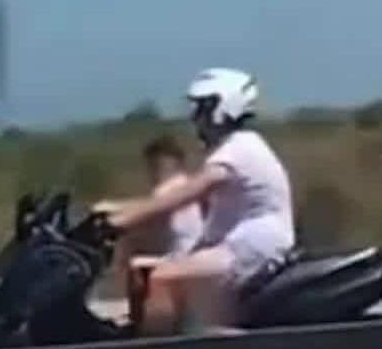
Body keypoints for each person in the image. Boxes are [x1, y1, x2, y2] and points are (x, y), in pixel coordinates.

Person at [94, 68, 296, 336]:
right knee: (140, 269)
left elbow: (184, 195)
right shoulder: (234, 147)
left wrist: (118, 222)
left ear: (223, 108)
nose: (195, 117)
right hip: (233, 244)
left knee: (161, 279)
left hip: (252, 248)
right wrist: (112, 214)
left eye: (202, 109)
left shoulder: (238, 150)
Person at [118, 135, 203, 326]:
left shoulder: (169, 188)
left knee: (134, 263)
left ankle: (142, 325)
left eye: (155, 165)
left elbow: (142, 216)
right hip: (189, 255)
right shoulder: (187, 185)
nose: (152, 171)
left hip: (182, 258)